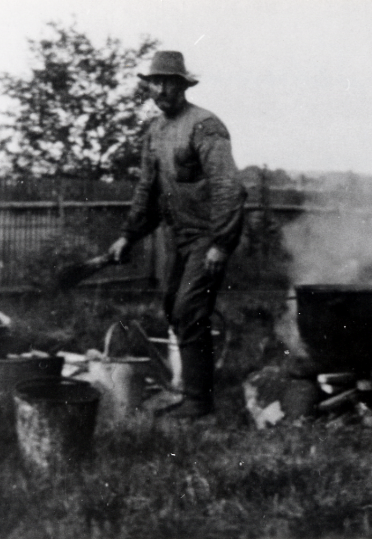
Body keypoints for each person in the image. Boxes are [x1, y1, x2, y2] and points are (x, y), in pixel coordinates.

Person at [108, 51, 246, 419]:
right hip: (176, 235)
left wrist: (221, 243)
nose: (162, 90)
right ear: (149, 87)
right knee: (173, 306)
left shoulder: (205, 126)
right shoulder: (154, 132)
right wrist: (128, 236)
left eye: (170, 82)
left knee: (189, 309)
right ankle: (190, 392)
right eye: (156, 82)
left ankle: (199, 404)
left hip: (207, 236)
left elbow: (228, 187)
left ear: (183, 86)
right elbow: (146, 191)